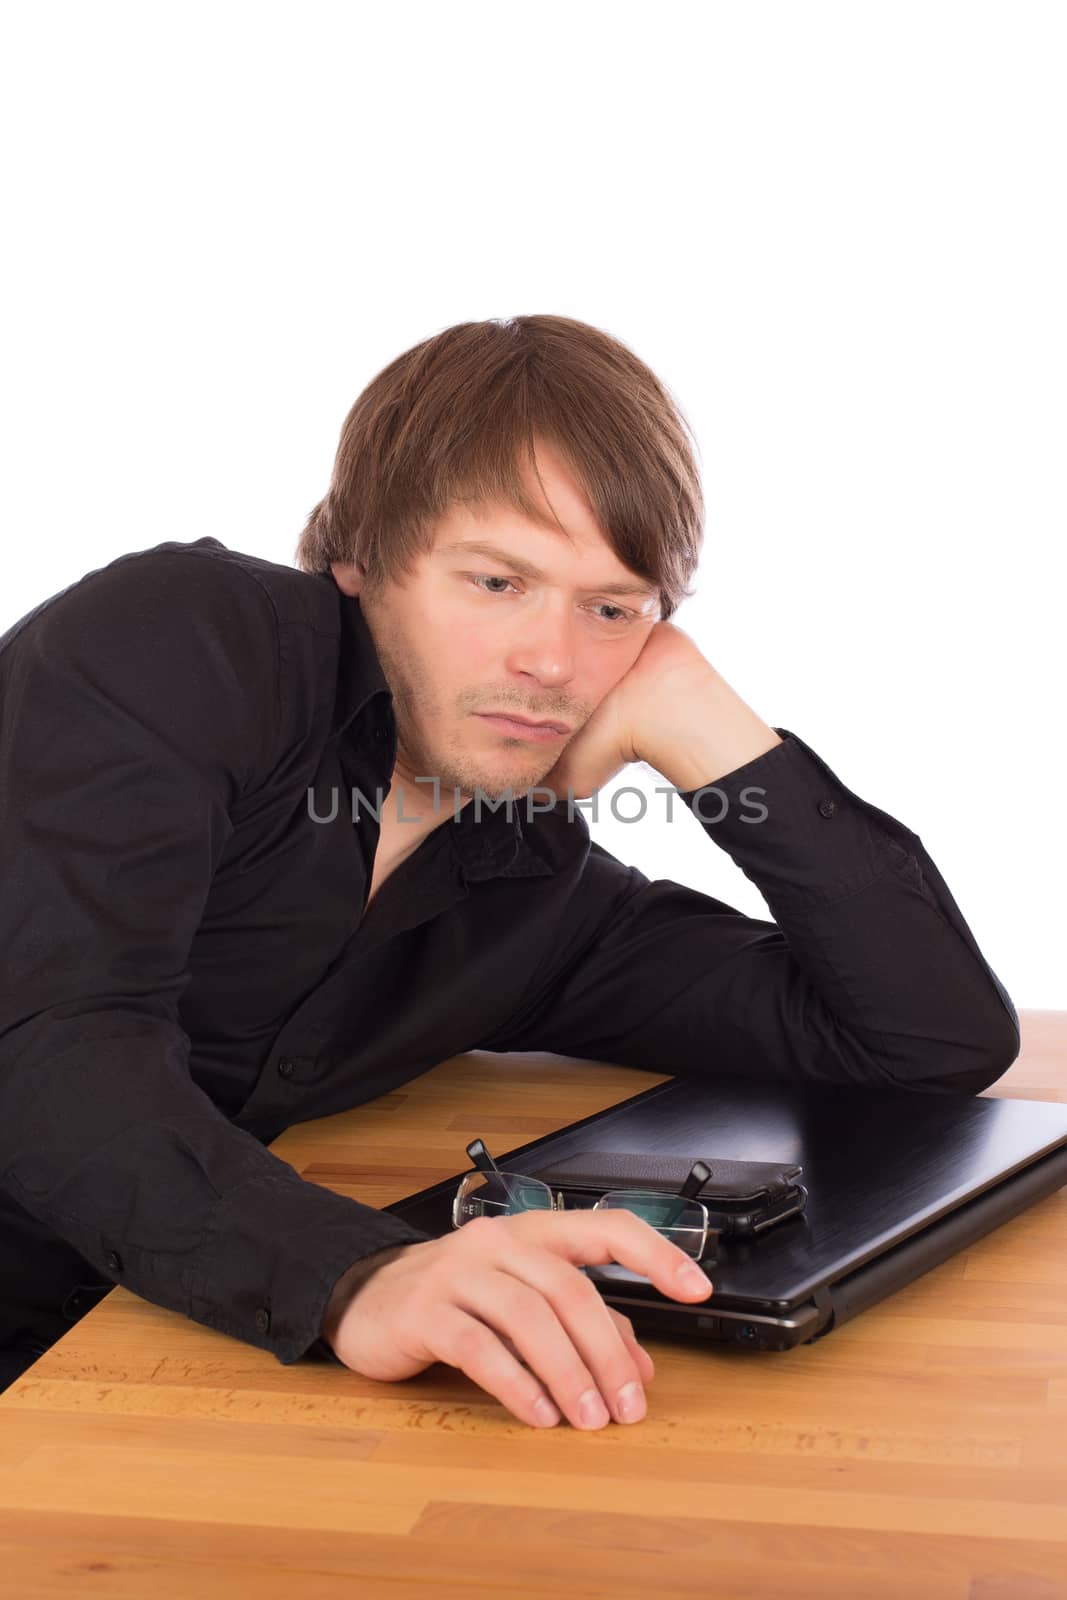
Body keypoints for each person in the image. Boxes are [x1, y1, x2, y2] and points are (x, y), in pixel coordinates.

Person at [0, 314, 1018, 1428]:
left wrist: (713, 733)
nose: (551, 662)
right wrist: (356, 1272)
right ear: (361, 558)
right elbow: (50, 1044)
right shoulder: (182, 643)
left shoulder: (538, 890)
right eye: (496, 583)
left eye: (611, 608)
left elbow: (926, 1042)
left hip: (119, 1384)